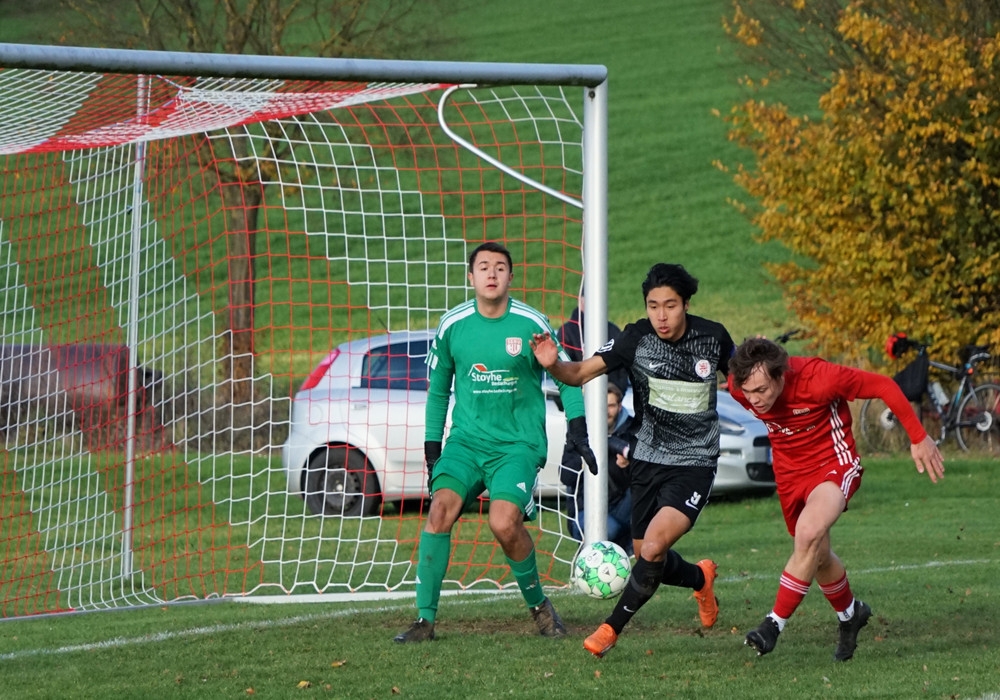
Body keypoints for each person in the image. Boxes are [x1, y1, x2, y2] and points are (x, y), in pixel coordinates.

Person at [393, 241, 598, 644]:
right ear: (470, 277)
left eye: (500, 267)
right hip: (466, 444)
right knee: (439, 510)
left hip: (516, 447)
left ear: (510, 277)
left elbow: (565, 377)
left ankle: (540, 607)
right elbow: (438, 392)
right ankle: (424, 621)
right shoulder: (452, 325)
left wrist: (578, 429)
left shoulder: (530, 323)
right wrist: (433, 450)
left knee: (503, 522)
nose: (491, 273)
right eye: (484, 267)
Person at [531, 262, 734, 658]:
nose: (661, 316)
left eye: (670, 306)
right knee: (646, 555)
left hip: (694, 462)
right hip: (647, 460)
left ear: (686, 304)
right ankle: (700, 578)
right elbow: (578, 373)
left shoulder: (713, 337)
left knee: (654, 547)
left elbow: (744, 380)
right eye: (653, 306)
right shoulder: (636, 338)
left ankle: (610, 629)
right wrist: (553, 363)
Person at [727, 337, 945, 661]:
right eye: (748, 392)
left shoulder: (819, 378)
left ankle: (772, 625)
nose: (754, 399)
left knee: (808, 534)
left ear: (781, 375)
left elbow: (883, 385)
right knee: (816, 554)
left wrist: (918, 436)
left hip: (833, 464)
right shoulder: (739, 387)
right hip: (789, 475)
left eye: (761, 390)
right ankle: (850, 615)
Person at [562, 381, 634, 555]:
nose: (606, 411)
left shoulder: (632, 431)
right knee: (607, 531)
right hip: (585, 508)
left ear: (619, 406)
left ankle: (631, 548)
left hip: (622, 507)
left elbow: (648, 474)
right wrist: (584, 457)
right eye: (602, 406)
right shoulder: (578, 433)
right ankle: (596, 556)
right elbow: (565, 476)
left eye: (611, 406)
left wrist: (628, 467)